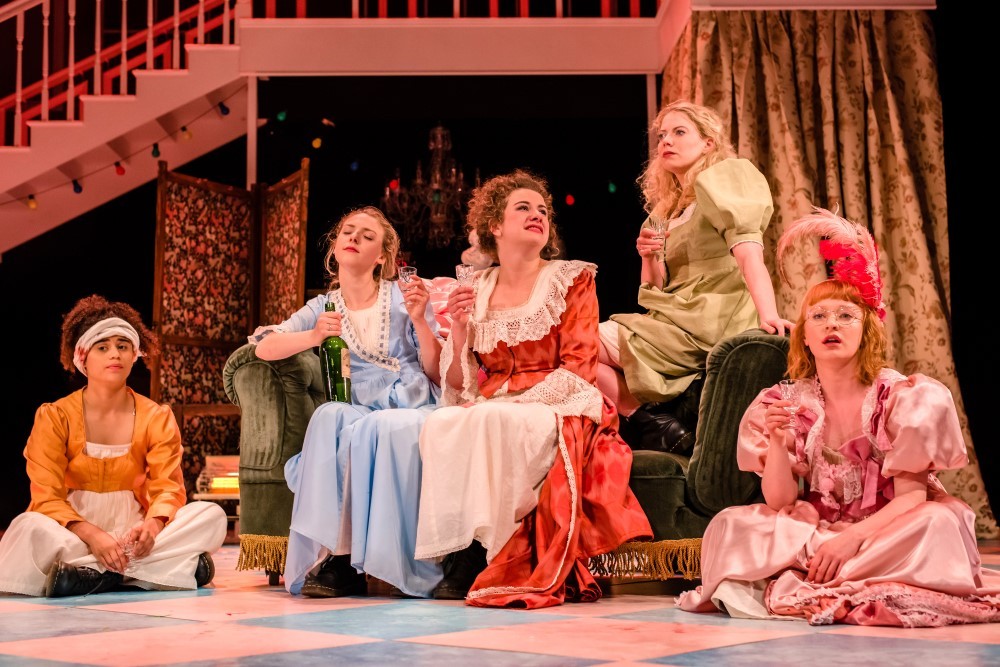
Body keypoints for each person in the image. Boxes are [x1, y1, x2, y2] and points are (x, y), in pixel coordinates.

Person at [678, 207, 1000, 627]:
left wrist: (851, 539)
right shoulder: (783, 401)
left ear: (865, 330)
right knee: (730, 524)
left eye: (846, 315)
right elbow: (780, 502)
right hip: (818, 527)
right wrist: (776, 439)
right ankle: (842, 574)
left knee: (939, 523)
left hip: (889, 527)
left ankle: (829, 577)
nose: (832, 324)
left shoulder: (901, 396)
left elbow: (912, 498)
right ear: (805, 335)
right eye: (819, 316)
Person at [414, 170, 653, 609]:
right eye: (522, 208)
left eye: (542, 210)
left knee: (493, 416)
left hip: (563, 400)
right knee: (442, 422)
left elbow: (579, 367)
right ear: (495, 225)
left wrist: (510, 401)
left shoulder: (572, 279)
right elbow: (460, 382)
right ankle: (465, 546)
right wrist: (461, 328)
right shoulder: (477, 286)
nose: (537, 215)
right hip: (496, 401)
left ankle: (493, 554)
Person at [252, 206, 445, 599]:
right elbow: (264, 347)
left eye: (367, 235)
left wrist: (420, 320)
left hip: (412, 404)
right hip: (360, 408)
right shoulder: (323, 306)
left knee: (376, 427)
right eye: (348, 231)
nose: (354, 237)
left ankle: (393, 564)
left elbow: (437, 371)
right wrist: (313, 337)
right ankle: (337, 559)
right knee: (328, 416)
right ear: (335, 246)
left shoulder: (402, 297)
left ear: (382, 257)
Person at [597, 100, 792, 454]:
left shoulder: (724, 182)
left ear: (708, 143)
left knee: (575, 341)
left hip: (712, 316)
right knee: (569, 348)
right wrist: (648, 255)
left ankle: (647, 420)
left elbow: (749, 254)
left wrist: (768, 315)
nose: (666, 141)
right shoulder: (664, 213)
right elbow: (654, 288)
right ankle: (649, 421)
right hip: (672, 317)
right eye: (662, 135)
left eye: (679, 132)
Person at [0, 295, 227, 598]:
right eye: (102, 347)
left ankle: (87, 575)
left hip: (134, 533)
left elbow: (168, 488)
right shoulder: (55, 416)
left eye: (123, 346)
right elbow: (46, 495)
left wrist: (152, 528)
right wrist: (93, 536)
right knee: (26, 527)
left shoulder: (156, 417)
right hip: (73, 533)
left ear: (135, 355)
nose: (115, 354)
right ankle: (150, 571)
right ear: (83, 357)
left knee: (211, 515)